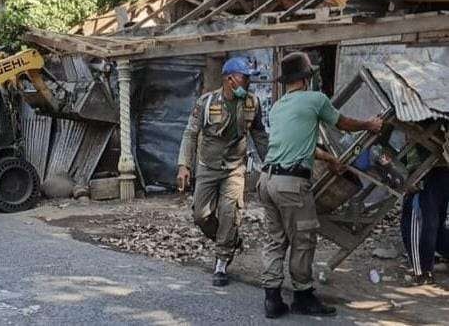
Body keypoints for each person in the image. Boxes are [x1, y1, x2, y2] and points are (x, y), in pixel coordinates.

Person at [259, 52, 383, 318]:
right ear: (306, 78)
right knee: (303, 239)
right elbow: (344, 124)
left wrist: (329, 158)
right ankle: (303, 296)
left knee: (275, 240)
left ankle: (272, 298)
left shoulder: (280, 106)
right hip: (291, 184)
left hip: (266, 181)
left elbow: (300, 144)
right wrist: (369, 125)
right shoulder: (316, 100)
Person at [177, 55, 268, 287]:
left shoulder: (252, 103)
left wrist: (270, 164)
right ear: (230, 80)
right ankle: (230, 240)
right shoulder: (206, 103)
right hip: (207, 167)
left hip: (235, 169)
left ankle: (221, 262)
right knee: (201, 215)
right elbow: (190, 133)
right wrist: (184, 166)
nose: (248, 83)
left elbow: (259, 135)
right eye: (245, 79)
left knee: (230, 213)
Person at [401, 165, 449, 285]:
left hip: (427, 189)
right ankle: (425, 270)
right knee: (435, 230)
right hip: (438, 182)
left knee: (419, 230)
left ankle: (423, 272)